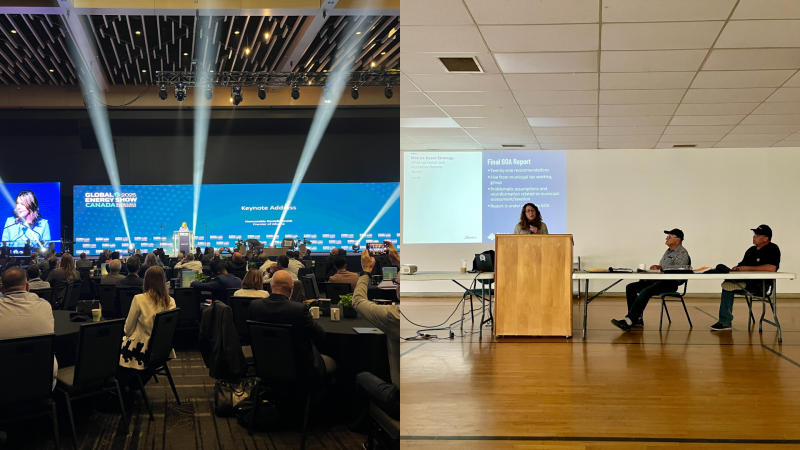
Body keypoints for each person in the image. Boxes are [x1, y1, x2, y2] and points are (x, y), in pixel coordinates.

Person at [248, 270, 335, 382]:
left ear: (270, 285)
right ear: (291, 287)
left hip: (265, 363)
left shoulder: (254, 306)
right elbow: (320, 337)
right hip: (300, 368)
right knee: (335, 362)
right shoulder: (299, 309)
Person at [610, 229, 691, 332]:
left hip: (670, 283)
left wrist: (660, 268)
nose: (666, 238)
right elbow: (661, 268)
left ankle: (629, 321)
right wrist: (649, 274)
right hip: (659, 280)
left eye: (669, 237)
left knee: (646, 291)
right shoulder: (668, 251)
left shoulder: (682, 253)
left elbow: (679, 272)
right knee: (631, 287)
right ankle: (637, 320)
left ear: (677, 240)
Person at [711, 225, 781, 331]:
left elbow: (772, 268)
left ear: (766, 238)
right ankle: (725, 321)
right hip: (745, 281)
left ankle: (725, 321)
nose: (754, 237)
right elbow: (742, 266)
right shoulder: (751, 250)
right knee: (726, 280)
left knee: (728, 285)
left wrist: (747, 268)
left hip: (759, 285)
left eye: (757, 235)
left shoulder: (772, 249)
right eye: (754, 234)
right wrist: (737, 268)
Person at [0, 267, 57, 389]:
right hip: (44, 383)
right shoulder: (45, 306)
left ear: (2, 289)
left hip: (5, 388)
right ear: (27, 287)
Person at [118, 266, 176, 384]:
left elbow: (128, 330)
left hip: (140, 351)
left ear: (146, 280)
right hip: (161, 351)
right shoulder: (171, 301)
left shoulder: (139, 299)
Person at [356, 250, 400, 386]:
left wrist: (366, 271)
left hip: (401, 396)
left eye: (397, 283)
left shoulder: (394, 315)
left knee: (361, 377)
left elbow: (358, 301)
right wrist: (398, 260)